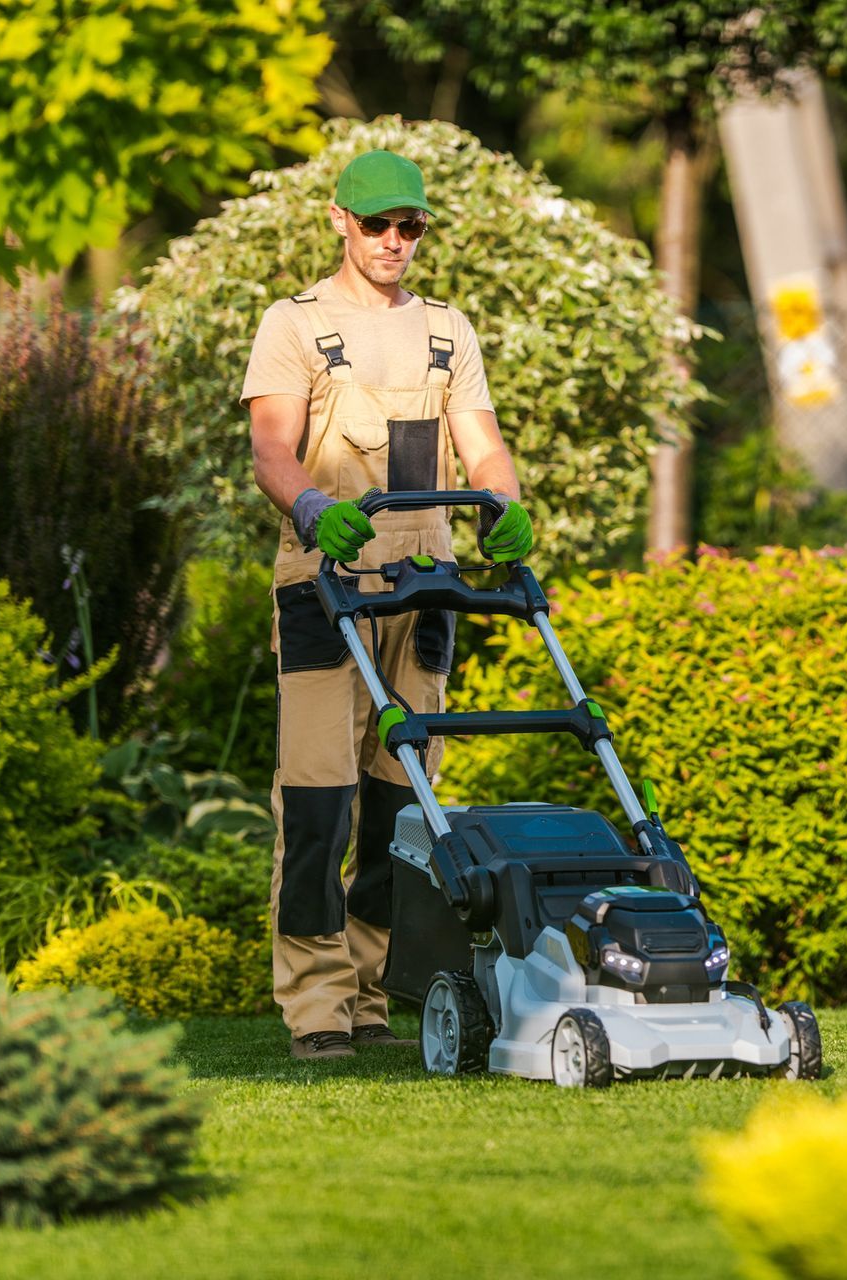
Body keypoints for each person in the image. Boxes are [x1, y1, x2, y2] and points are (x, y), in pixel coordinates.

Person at [240, 150, 536, 1060]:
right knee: (319, 799)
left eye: (410, 228)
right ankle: (315, 1002)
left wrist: (506, 506)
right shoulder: (294, 325)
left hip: (425, 590)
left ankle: (370, 989)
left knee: (399, 804)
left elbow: (480, 445)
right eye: (378, 226)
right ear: (340, 221)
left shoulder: (449, 332)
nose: (395, 242)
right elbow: (270, 451)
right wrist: (314, 508)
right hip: (327, 592)